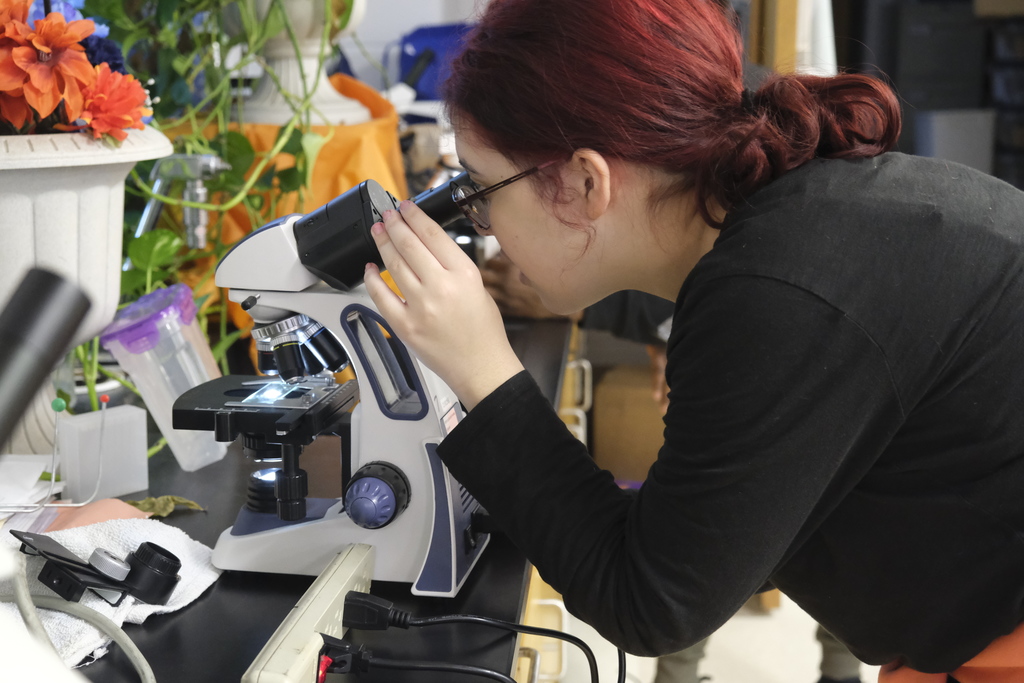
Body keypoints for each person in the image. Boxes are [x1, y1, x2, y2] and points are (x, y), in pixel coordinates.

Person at [361, 1, 1024, 681]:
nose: (481, 223)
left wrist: (483, 369)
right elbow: (702, 535)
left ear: (586, 182)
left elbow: (649, 602)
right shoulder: (778, 221)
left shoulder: (777, 292)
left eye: (479, 189)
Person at [484, 253, 864, 683]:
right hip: (776, 360)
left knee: (756, 538)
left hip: (810, 370)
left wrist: (599, 306)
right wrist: (667, 327)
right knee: (707, 541)